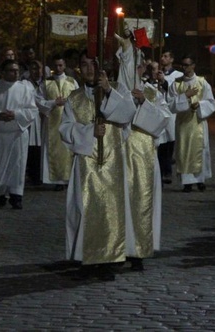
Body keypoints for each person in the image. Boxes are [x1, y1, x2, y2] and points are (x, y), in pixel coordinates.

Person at [60, 50, 136, 281]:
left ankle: (110, 258)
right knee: (86, 209)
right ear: (78, 68)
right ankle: (87, 257)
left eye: (93, 64)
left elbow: (127, 114)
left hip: (112, 160)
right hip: (86, 163)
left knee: (111, 208)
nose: (89, 69)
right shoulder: (73, 98)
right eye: (84, 65)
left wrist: (109, 91)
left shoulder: (118, 90)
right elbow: (64, 129)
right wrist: (88, 131)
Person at [121, 58, 170, 271]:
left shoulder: (152, 93)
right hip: (120, 153)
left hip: (143, 154)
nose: (136, 69)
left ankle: (138, 250)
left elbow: (163, 120)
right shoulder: (117, 90)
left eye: (139, 66)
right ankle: (116, 248)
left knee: (141, 201)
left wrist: (143, 104)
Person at [0, 59, 38, 209]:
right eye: (11, 70)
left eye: (17, 70)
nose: (15, 73)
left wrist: (16, 115)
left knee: (16, 166)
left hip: (16, 134)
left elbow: (32, 110)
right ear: (3, 72)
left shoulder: (25, 88)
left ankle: (16, 196)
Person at [167, 55, 215, 192]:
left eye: (188, 65)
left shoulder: (202, 82)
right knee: (183, 151)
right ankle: (187, 182)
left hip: (198, 122)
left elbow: (211, 102)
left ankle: (200, 180)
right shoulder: (176, 84)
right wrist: (185, 96)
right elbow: (170, 104)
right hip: (183, 123)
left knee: (200, 150)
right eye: (183, 65)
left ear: (193, 66)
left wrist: (199, 105)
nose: (185, 68)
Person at [39, 54, 79, 190]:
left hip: (68, 121)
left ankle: (68, 178)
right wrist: (53, 102)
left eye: (61, 65)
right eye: (56, 65)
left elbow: (78, 100)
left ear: (65, 66)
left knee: (68, 149)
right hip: (52, 121)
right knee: (53, 148)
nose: (58, 68)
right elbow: (38, 101)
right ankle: (55, 180)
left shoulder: (72, 82)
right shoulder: (46, 83)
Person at [157, 50, 182, 183]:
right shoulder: (158, 72)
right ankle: (162, 170)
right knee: (160, 142)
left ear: (171, 59)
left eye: (166, 56)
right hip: (159, 110)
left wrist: (164, 82)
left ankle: (167, 170)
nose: (163, 58)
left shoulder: (178, 75)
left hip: (171, 112)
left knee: (169, 142)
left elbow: (175, 92)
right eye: (162, 56)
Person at [23, 60, 45, 186]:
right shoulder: (25, 84)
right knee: (32, 146)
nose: (37, 72)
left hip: (44, 118)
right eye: (34, 69)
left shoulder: (45, 83)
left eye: (39, 68)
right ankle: (33, 174)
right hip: (32, 117)